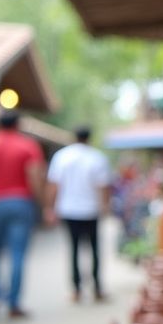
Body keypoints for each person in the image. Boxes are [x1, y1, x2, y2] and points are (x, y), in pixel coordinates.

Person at [0, 111, 45, 320]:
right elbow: (34, 177)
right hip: (20, 203)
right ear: (18, 124)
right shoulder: (28, 145)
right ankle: (14, 303)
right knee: (17, 254)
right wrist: (40, 203)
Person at [44, 126, 112, 302]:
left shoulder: (62, 157)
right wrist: (105, 206)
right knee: (94, 249)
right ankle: (97, 288)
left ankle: (76, 290)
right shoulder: (97, 158)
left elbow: (53, 185)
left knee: (73, 250)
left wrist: (49, 208)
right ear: (89, 138)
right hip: (91, 210)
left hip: (69, 210)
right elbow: (103, 186)